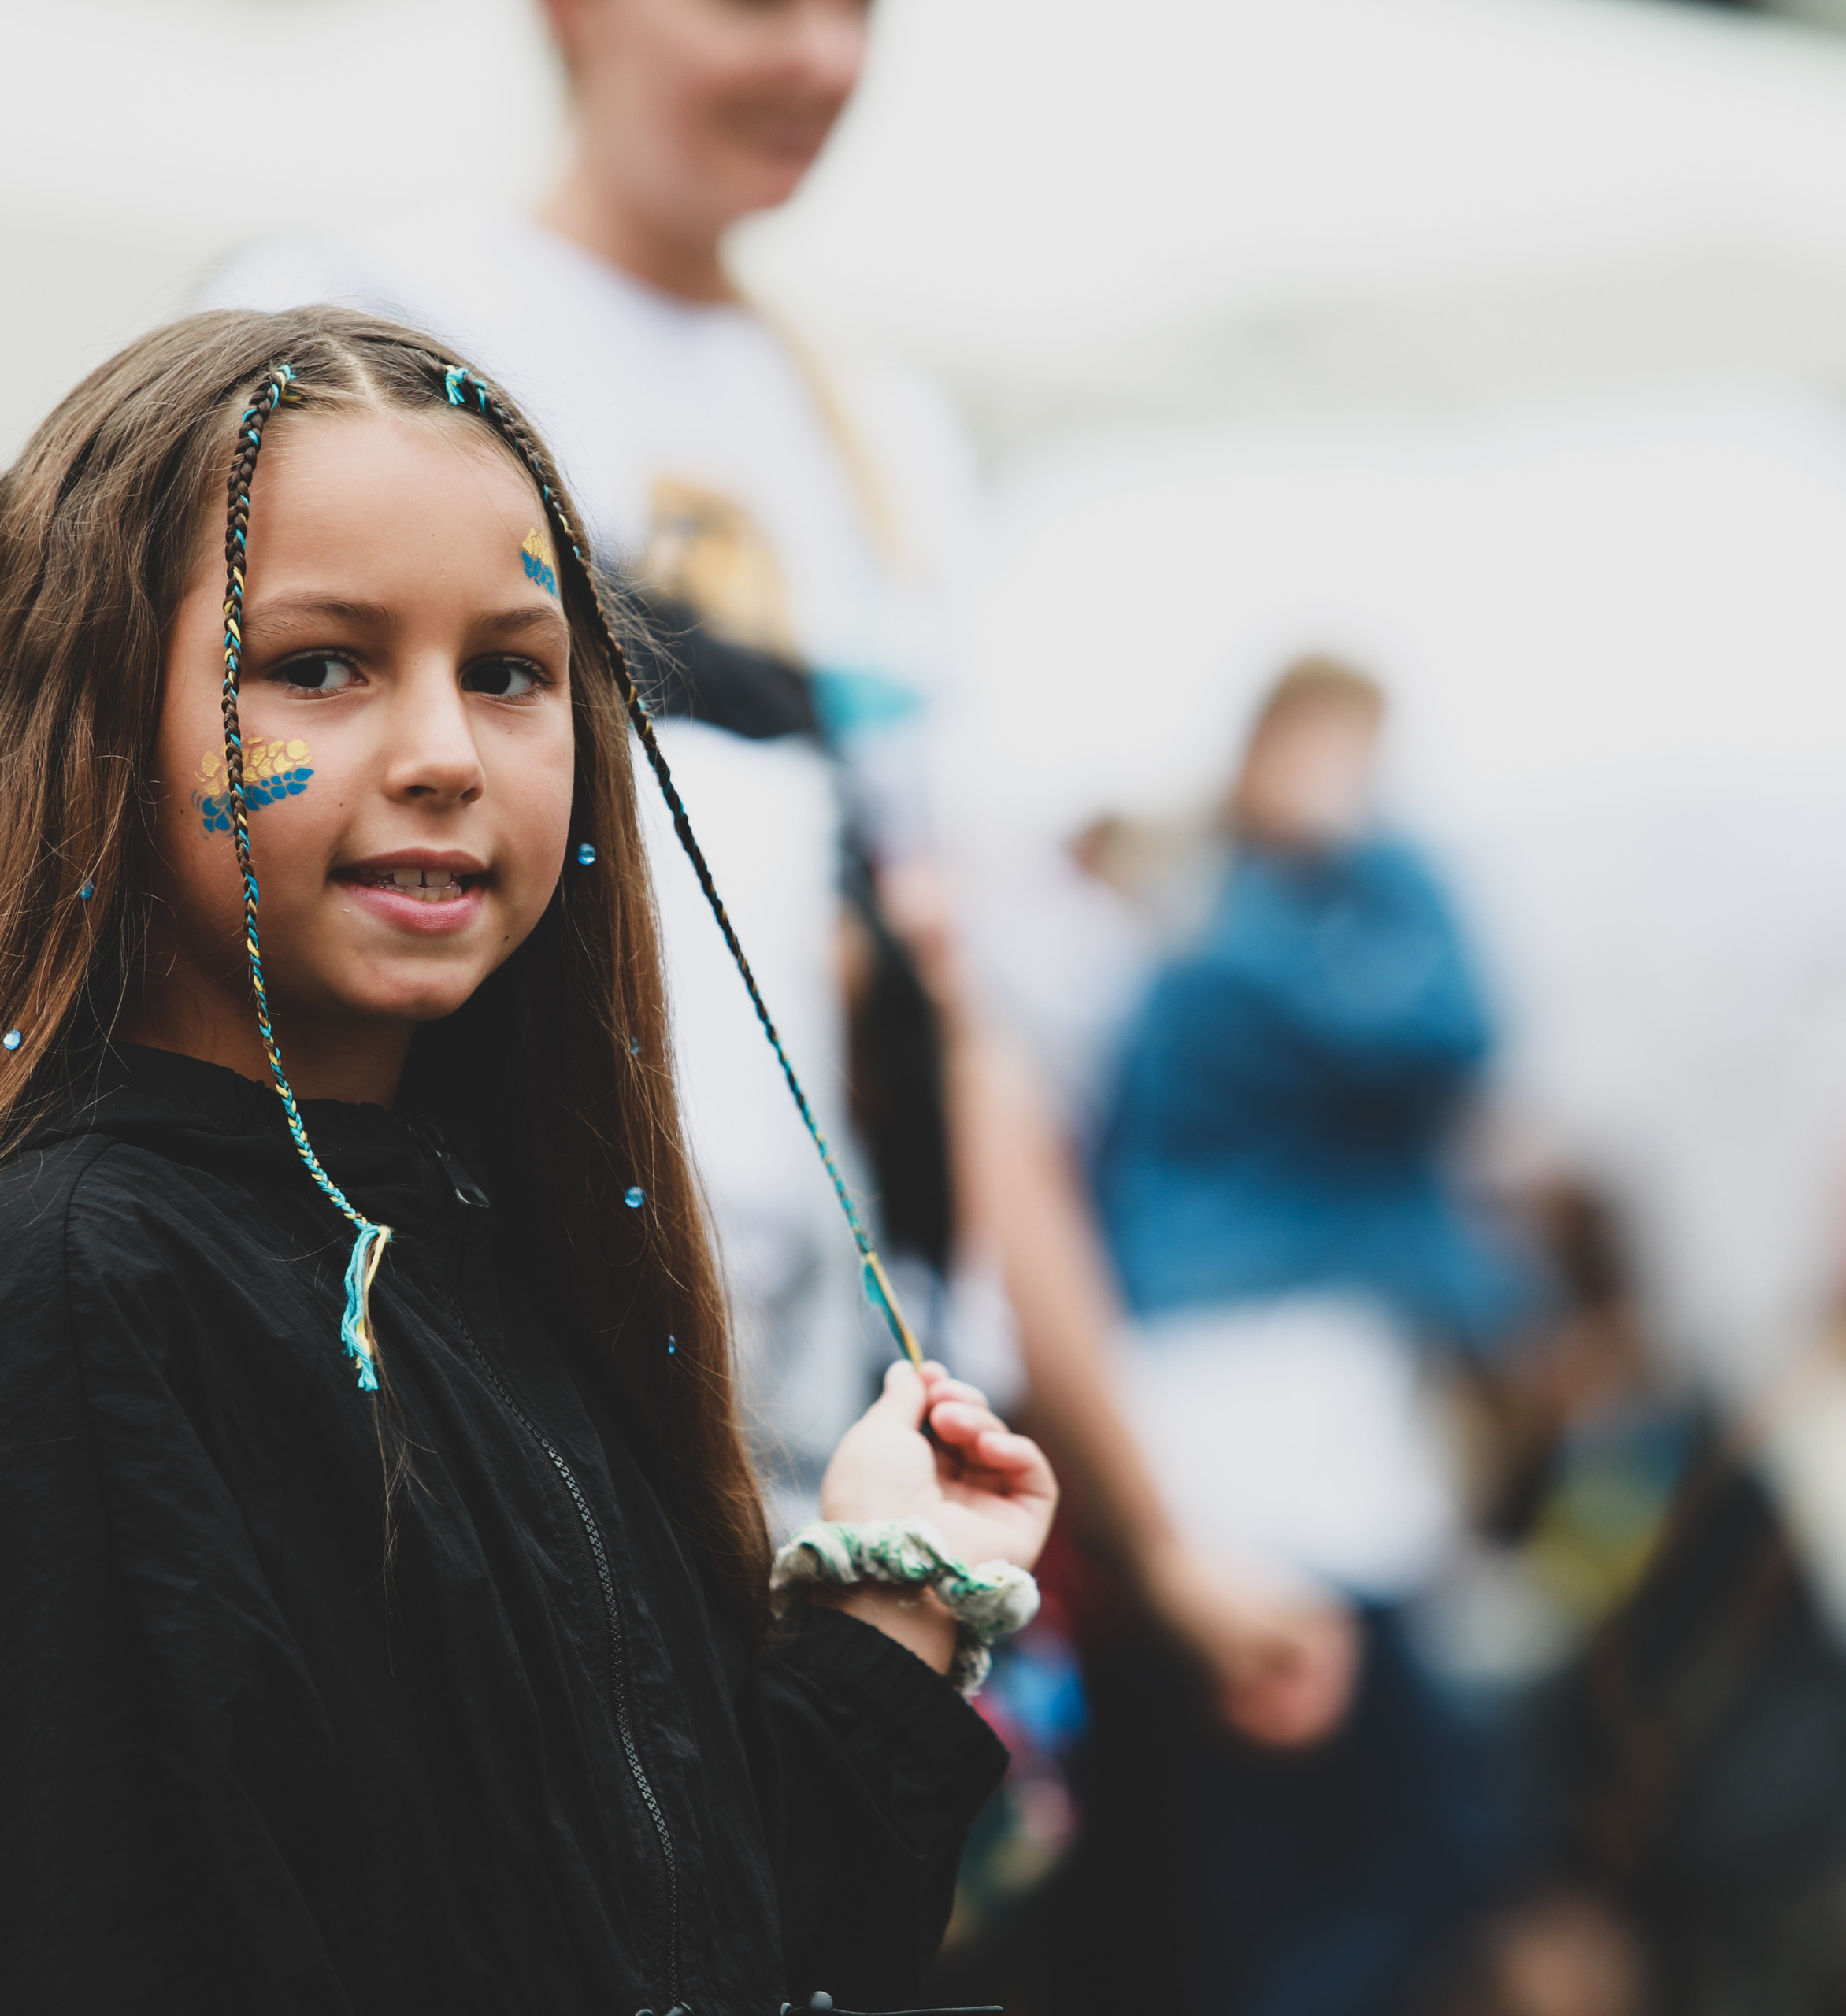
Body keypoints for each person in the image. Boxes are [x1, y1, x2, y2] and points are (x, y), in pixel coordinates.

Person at [0, 306, 1055, 2014]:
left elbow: (716, 1931)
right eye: (319, 663)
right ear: (96, 718)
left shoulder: (506, 1247)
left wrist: (887, 1601)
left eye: (508, 670)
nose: (439, 753)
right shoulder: (62, 1291)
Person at [198, 0, 1351, 1761]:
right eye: (752, 0)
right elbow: (189, 850)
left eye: (858, 7)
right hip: (468, 1442)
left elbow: (947, 1023)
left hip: (829, 1485)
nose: (818, 58)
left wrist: (1158, 1532)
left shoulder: (874, 434)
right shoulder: (359, 314)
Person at [1055, 658, 1526, 2016]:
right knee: (1320, 1813)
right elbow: (1428, 1036)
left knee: (1381, 1820)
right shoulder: (1219, 935)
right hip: (1237, 1407)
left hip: (1326, 1400)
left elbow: (1456, 1035)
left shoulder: (1293, 913)